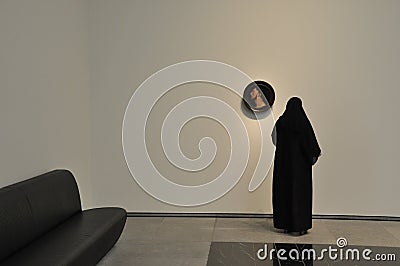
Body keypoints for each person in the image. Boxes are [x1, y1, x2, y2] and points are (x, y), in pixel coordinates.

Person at [271, 97, 321, 236]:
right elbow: (310, 143)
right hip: (299, 168)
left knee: (284, 194)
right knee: (299, 196)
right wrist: (312, 154)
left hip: (283, 166)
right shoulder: (302, 122)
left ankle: (285, 224)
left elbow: (274, 138)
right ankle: (299, 226)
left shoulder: (281, 122)